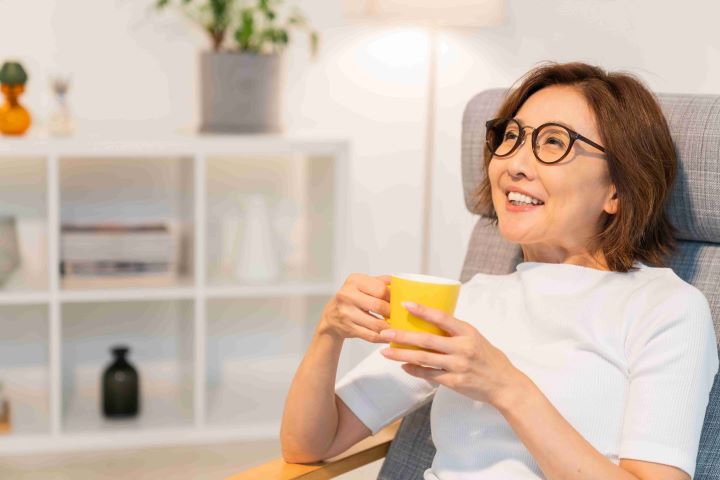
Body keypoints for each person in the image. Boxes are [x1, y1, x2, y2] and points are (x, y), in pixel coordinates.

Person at [279, 62, 719, 479]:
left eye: (552, 142)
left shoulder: (665, 308)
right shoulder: (468, 303)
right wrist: (329, 334)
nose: (514, 164)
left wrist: (506, 387)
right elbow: (309, 445)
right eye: (510, 138)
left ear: (617, 191)